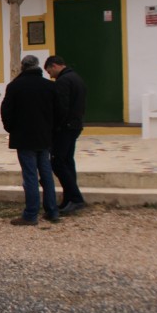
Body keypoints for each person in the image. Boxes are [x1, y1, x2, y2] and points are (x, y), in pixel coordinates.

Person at [0, 55, 64, 226]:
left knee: (30, 176)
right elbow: (59, 112)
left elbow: (6, 111)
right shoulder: (49, 87)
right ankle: (52, 211)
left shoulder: (15, 87)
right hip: (44, 138)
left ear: (23, 67)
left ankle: (30, 214)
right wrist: (52, 131)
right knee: (46, 175)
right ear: (37, 67)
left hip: (24, 138)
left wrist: (11, 129)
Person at [44, 55, 88, 215]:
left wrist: (55, 127)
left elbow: (61, 108)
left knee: (58, 163)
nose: (50, 75)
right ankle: (69, 198)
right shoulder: (76, 78)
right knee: (68, 161)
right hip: (75, 125)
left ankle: (76, 198)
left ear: (54, 65)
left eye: (49, 71)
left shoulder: (63, 81)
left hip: (65, 128)